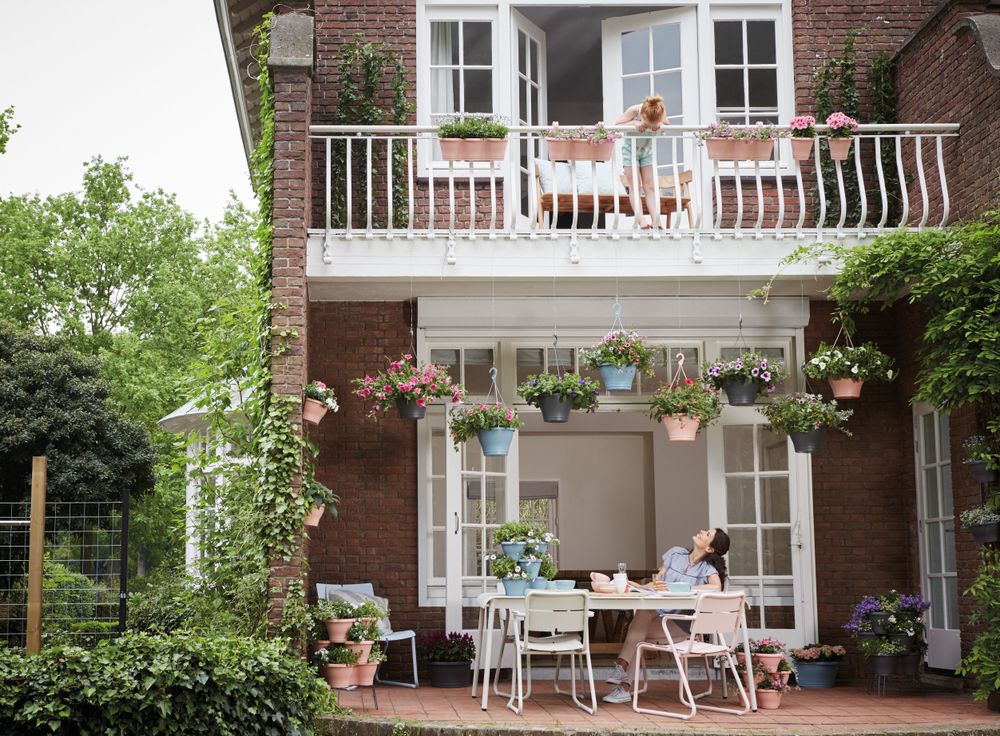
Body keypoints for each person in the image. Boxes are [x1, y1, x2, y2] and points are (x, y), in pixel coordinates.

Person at [601, 527, 731, 704]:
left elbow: (716, 588)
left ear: (709, 548)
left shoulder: (706, 569)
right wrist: (638, 586)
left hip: (681, 624)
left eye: (707, 534)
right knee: (642, 616)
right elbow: (658, 583)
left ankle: (622, 676)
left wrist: (684, 588)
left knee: (637, 634)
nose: (702, 531)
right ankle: (623, 679)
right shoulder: (675, 554)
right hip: (659, 616)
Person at [616, 95, 668, 229]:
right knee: (635, 185)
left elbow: (667, 124)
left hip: (647, 152)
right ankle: (642, 222)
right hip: (630, 152)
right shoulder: (635, 110)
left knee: (649, 187)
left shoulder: (659, 112)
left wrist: (661, 125)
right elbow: (617, 124)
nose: (649, 126)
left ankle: (656, 221)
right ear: (643, 115)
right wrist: (633, 123)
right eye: (647, 122)